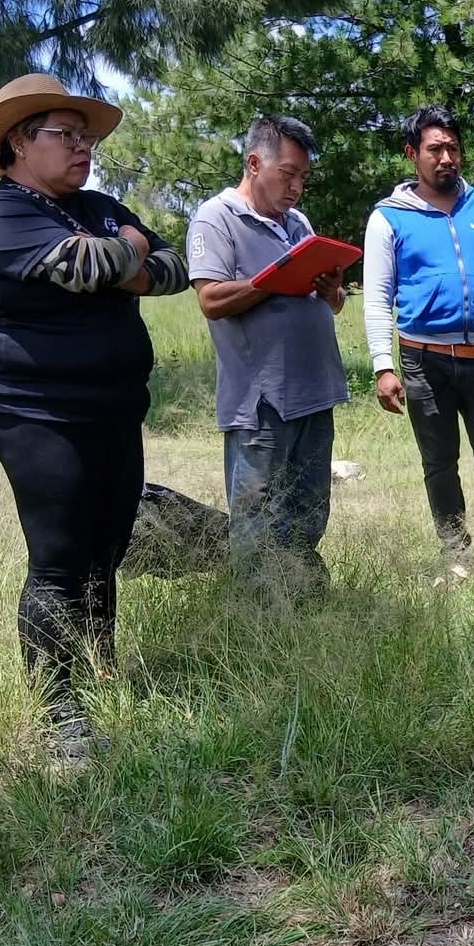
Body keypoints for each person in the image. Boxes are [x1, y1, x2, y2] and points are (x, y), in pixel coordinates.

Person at [0, 73, 190, 763]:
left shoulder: (98, 205)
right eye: (66, 133)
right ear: (18, 144)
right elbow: (97, 266)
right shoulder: (1, 214)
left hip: (115, 408)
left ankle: (101, 670)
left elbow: (177, 269)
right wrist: (131, 252)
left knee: (107, 550)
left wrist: (129, 254)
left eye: (86, 135)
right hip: (37, 413)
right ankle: (57, 709)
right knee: (58, 561)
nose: (84, 145)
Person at [187, 115, 348, 593]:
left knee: (308, 509)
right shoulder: (215, 217)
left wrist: (332, 288)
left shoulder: (297, 223)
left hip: (315, 392)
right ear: (255, 164)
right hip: (260, 402)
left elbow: (331, 305)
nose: (297, 186)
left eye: (304, 176)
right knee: (256, 517)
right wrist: (275, 278)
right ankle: (254, 616)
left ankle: (300, 596)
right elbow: (211, 300)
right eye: (288, 173)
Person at [362, 105, 474, 561]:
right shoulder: (388, 218)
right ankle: (457, 556)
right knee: (439, 464)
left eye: (453, 148)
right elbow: (377, 297)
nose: (446, 158)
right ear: (412, 154)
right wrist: (383, 366)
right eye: (435, 149)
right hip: (423, 360)